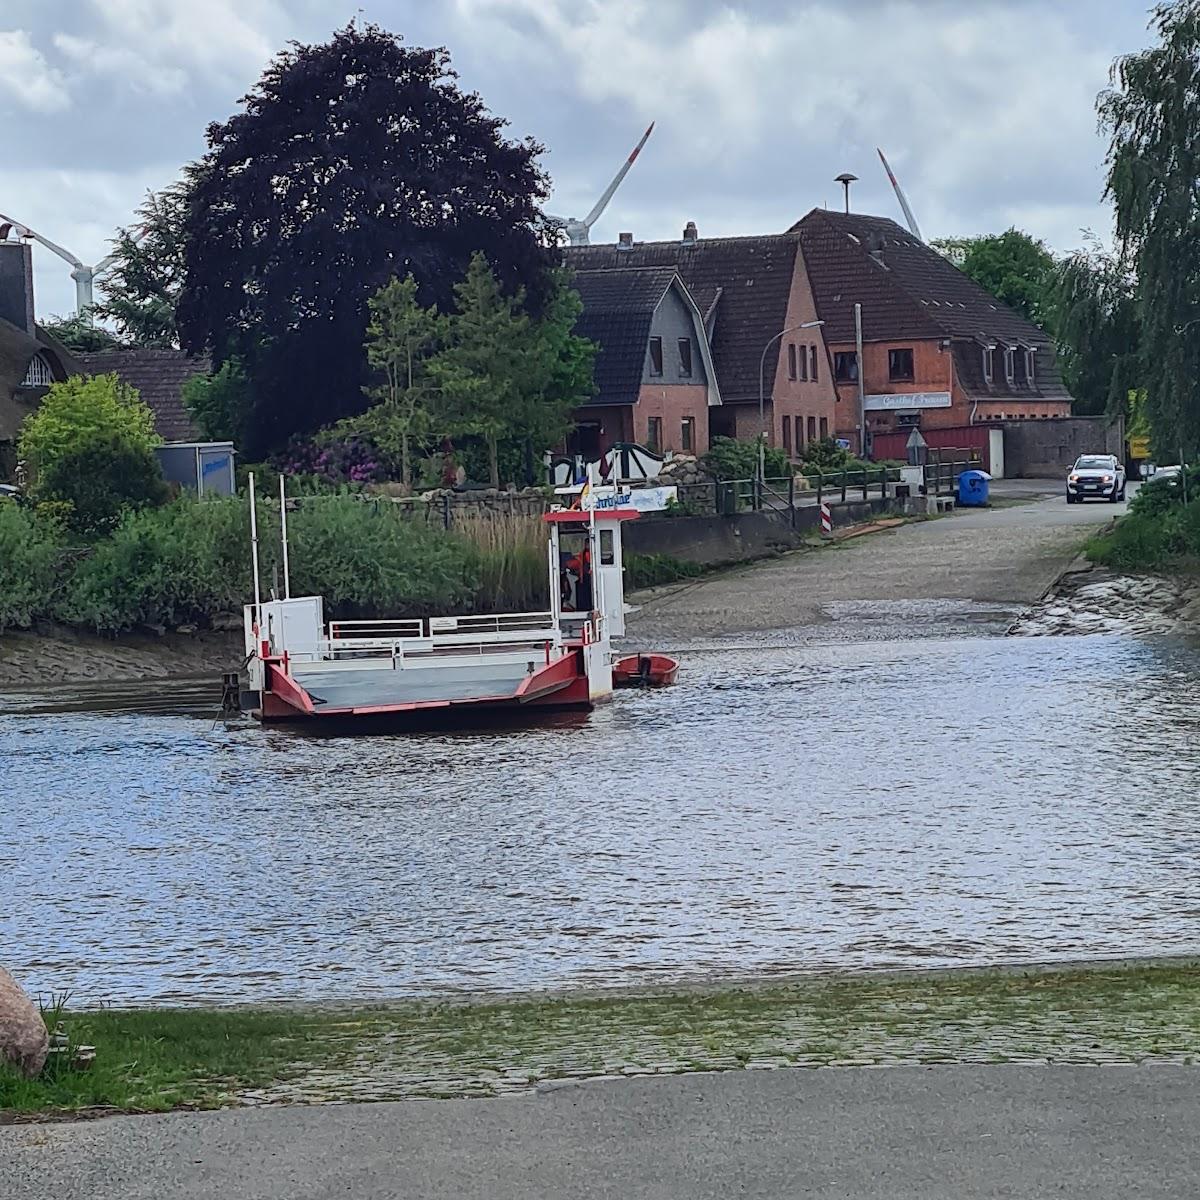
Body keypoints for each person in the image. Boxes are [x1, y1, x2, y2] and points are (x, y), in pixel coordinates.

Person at [565, 542, 593, 612]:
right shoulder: (584, 555)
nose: (587, 545)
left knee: (584, 596)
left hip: (587, 581)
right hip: (585, 581)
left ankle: (584, 609)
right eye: (587, 544)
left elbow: (576, 564)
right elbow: (575, 564)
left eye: (588, 544)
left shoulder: (587, 555)